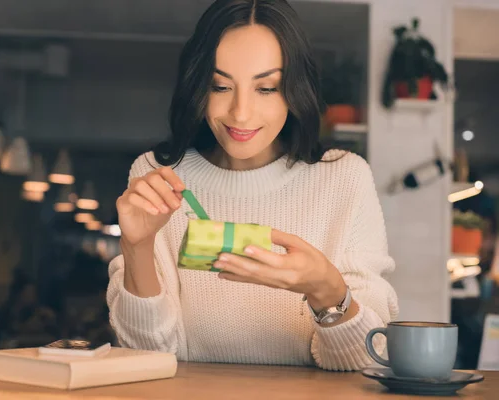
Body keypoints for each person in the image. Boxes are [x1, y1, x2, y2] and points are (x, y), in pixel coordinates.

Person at [106, 0, 398, 371]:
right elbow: (148, 353)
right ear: (198, 86)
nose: (240, 113)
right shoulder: (158, 176)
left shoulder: (344, 179)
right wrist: (137, 246)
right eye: (220, 85)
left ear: (295, 90)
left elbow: (366, 359)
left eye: (267, 88)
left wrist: (326, 289)